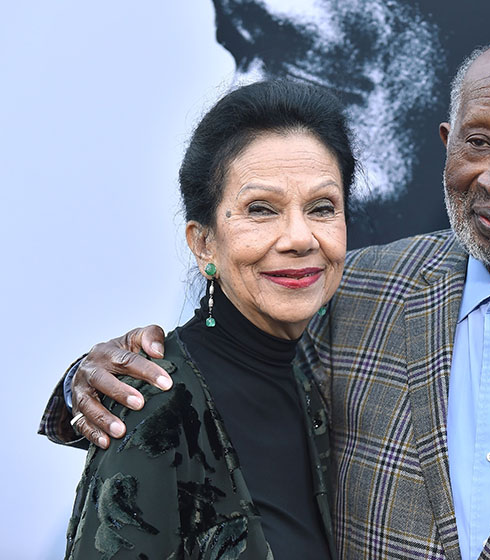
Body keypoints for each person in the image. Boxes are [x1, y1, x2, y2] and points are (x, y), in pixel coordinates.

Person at [41, 33, 490, 559]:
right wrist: (90, 383)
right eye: (477, 142)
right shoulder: (358, 293)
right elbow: (221, 382)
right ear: (447, 141)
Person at [53, 79, 357, 559]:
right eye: (261, 210)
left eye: (322, 208)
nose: (300, 237)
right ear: (203, 244)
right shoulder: (156, 404)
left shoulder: (323, 368)